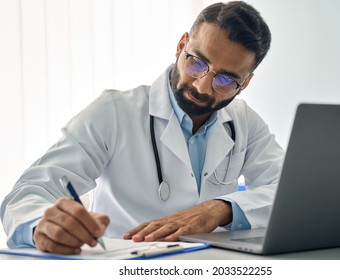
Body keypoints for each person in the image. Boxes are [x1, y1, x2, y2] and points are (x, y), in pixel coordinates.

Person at [1, 1, 284, 255]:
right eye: (197, 63)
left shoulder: (243, 120)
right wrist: (40, 226)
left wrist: (221, 208)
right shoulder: (115, 111)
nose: (202, 86)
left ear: (244, 83)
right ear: (181, 45)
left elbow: (289, 192)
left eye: (225, 80)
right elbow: (28, 193)